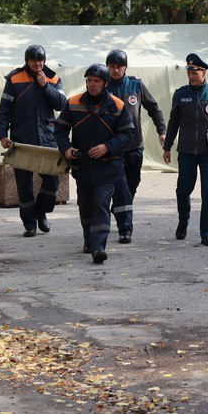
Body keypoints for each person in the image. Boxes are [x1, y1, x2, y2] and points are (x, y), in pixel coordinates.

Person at [55, 63, 136, 265]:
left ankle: (99, 247)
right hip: (82, 166)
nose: (92, 85)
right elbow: (60, 130)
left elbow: (128, 133)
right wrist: (66, 149)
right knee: (85, 205)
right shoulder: (73, 103)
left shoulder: (117, 105)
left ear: (105, 83)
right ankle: (88, 239)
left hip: (108, 167)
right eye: (89, 81)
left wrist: (108, 147)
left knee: (101, 203)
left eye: (96, 81)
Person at [0, 44, 68, 238]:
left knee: (52, 180)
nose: (38, 64)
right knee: (24, 184)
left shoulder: (53, 79)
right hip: (22, 138)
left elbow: (61, 104)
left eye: (41, 60)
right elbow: (4, 109)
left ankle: (41, 212)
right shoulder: (14, 79)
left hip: (47, 137)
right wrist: (2, 134)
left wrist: (45, 85)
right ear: (27, 61)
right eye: (34, 60)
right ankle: (29, 224)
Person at [162, 53, 208, 246]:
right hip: (186, 152)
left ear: (204, 72)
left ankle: (206, 233)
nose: (191, 76)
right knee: (183, 190)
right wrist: (167, 146)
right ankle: (183, 222)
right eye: (189, 72)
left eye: (195, 72)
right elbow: (173, 122)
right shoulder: (181, 93)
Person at [104, 49, 167, 244]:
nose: (115, 70)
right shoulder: (102, 85)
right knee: (121, 187)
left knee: (133, 182)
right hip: (113, 148)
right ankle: (126, 229)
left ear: (125, 67)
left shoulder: (136, 85)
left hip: (134, 146)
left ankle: (119, 208)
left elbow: (153, 107)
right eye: (112, 67)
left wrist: (161, 130)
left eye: (119, 67)